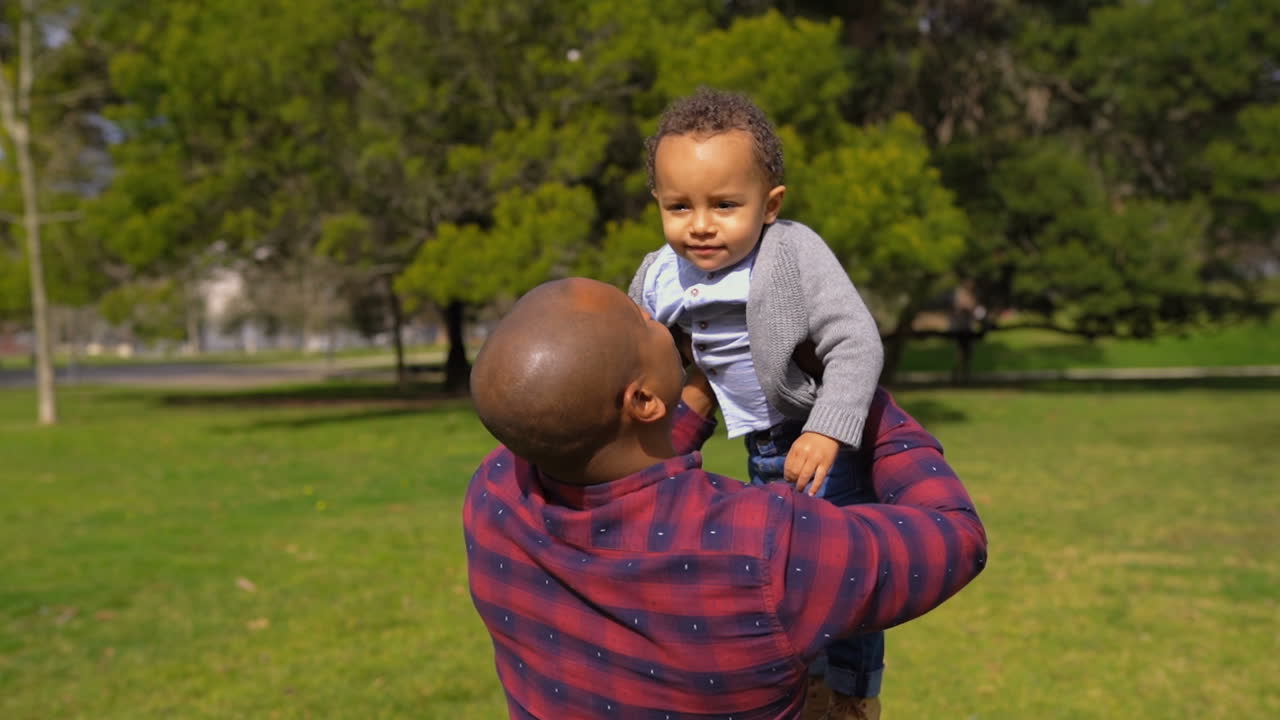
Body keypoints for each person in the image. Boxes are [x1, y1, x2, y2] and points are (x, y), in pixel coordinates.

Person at [464, 277, 987, 720]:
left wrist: (704, 384)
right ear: (642, 399)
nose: (655, 314)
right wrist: (851, 394)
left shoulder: (494, 495)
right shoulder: (760, 552)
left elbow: (611, 453)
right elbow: (957, 538)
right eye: (640, 318)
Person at [628, 88, 888, 716]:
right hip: (762, 445)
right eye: (679, 206)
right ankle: (803, 682)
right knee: (785, 574)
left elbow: (855, 340)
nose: (700, 224)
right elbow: (633, 346)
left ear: (769, 205)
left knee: (843, 570)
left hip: (816, 436)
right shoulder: (660, 273)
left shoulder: (792, 253)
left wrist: (828, 429)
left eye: (724, 204)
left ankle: (851, 694)